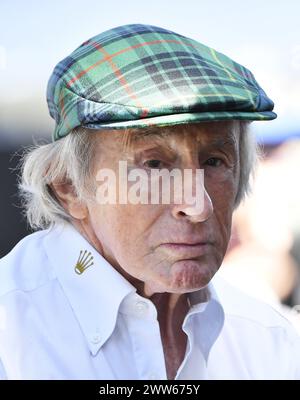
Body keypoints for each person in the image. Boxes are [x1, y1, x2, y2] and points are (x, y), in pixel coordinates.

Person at [0, 24, 299, 380]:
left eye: (215, 161)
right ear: (69, 187)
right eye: (154, 165)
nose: (198, 205)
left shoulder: (270, 340)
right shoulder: (12, 333)